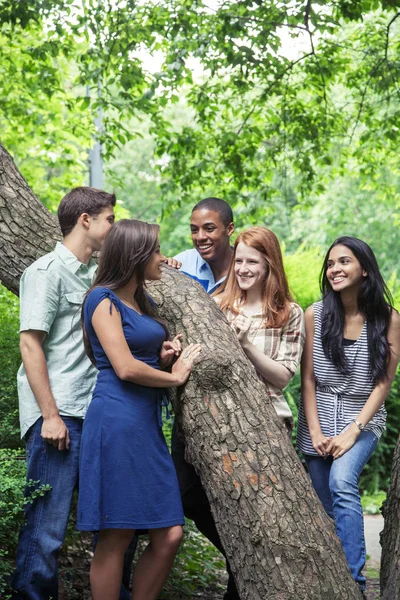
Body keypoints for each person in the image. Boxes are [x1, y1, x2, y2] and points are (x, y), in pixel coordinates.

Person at [78, 219, 202, 600]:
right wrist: (176, 376)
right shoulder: (102, 298)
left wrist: (162, 358)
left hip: (144, 424)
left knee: (169, 533)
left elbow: (139, 358)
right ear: (134, 255)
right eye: (157, 250)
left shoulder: (138, 300)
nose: (163, 258)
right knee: (117, 533)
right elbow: (125, 367)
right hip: (116, 421)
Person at [12, 187, 116, 599]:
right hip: (60, 417)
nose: (114, 225)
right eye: (109, 218)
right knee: (46, 531)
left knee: (114, 523)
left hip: (97, 414)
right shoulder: (45, 272)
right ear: (86, 219)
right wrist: (50, 416)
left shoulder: (97, 275)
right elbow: (30, 345)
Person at [296, 236, 400, 594]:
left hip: (363, 418)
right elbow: (307, 380)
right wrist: (316, 430)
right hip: (318, 417)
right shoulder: (315, 314)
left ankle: (355, 585)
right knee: (324, 506)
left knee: (342, 481)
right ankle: (330, 581)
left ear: (365, 270)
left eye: (344, 262)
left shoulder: (389, 319)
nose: (334, 269)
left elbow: (382, 385)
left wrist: (353, 430)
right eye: (331, 264)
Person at [171, 197, 241, 600]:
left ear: (229, 229)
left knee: (241, 497)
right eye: (195, 229)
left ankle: (240, 582)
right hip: (194, 407)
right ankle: (240, 560)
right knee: (185, 493)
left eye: (210, 228)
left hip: (238, 411)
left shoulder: (246, 266)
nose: (201, 237)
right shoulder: (183, 265)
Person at [214, 226, 305, 431]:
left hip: (270, 419)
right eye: (238, 261)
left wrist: (246, 345)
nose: (242, 269)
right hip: (223, 419)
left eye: (252, 262)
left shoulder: (290, 313)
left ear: (269, 265)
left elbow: (282, 378)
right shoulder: (218, 306)